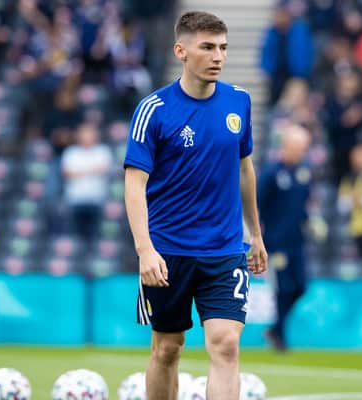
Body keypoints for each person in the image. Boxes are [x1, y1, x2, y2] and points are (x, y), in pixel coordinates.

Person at [123, 11, 267, 400]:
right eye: (207, 47)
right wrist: (145, 250)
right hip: (168, 252)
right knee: (167, 349)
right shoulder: (153, 110)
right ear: (181, 51)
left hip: (224, 250)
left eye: (222, 47)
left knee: (226, 344)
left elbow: (244, 169)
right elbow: (134, 184)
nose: (218, 56)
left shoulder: (240, 101)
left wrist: (255, 232)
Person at [258, 123, 311, 351]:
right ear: (286, 146)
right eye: (299, 147)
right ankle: (279, 337)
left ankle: (276, 328)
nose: (302, 152)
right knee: (283, 289)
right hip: (277, 243)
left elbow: (301, 205)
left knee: (300, 286)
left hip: (296, 241)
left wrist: (310, 220)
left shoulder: (303, 172)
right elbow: (257, 203)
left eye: (304, 147)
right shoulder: (271, 173)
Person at [62, 123, 112, 243]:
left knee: (96, 237)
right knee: (76, 237)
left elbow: (104, 170)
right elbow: (67, 173)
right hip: (75, 199)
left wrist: (79, 172)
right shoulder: (71, 152)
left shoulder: (103, 151)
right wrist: (92, 170)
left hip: (97, 199)